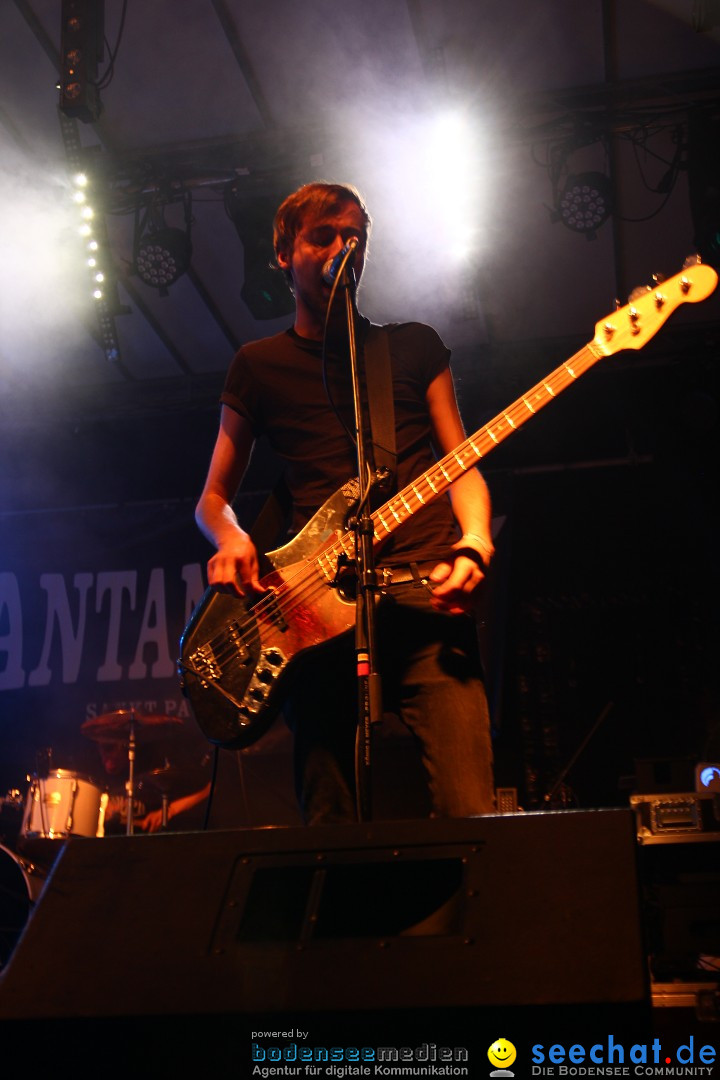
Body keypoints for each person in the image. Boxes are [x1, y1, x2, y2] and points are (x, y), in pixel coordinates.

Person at [195, 181, 496, 825]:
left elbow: (461, 464)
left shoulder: (413, 348)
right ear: (284, 253)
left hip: (424, 597)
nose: (343, 246)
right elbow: (212, 500)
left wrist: (475, 540)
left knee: (471, 814)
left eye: (354, 234)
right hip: (315, 612)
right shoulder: (259, 364)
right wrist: (233, 539)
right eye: (323, 235)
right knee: (329, 819)